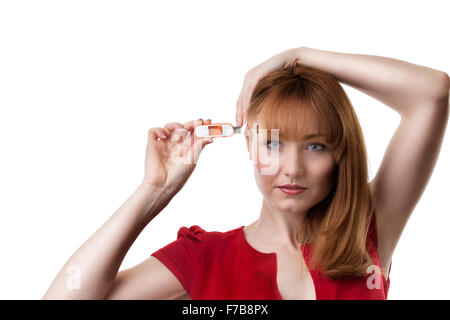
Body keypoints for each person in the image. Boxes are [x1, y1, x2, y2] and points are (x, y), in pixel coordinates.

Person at [42, 46, 449, 300]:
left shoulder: (368, 231)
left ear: (339, 152)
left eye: (314, 145)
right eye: (273, 143)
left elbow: (432, 93)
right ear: (250, 145)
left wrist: (300, 57)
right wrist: (152, 191)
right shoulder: (205, 257)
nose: (292, 168)